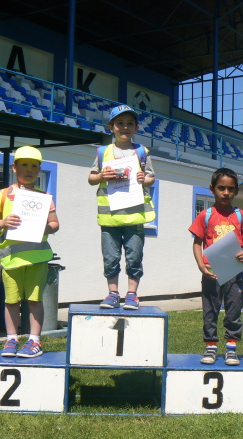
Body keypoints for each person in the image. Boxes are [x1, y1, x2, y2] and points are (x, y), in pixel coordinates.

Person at [0, 146, 60, 358]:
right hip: (11, 259)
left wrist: (45, 228)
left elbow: (55, 224)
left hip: (37, 259)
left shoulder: (44, 198)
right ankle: (11, 339)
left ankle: (34, 340)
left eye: (34, 166)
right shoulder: (2, 195)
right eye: (24, 165)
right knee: (11, 301)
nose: (29, 170)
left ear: (39, 170)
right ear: (14, 167)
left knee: (35, 300)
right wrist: (3, 222)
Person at [88, 105, 156, 310]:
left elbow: (151, 178)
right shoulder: (103, 152)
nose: (125, 127)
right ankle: (113, 293)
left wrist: (144, 178)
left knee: (134, 257)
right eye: (120, 123)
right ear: (111, 127)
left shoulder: (141, 152)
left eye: (129, 124)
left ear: (136, 128)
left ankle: (132, 295)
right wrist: (102, 176)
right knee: (110, 257)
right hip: (109, 217)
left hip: (135, 216)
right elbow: (91, 178)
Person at [188, 167, 243, 365]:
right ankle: (210, 347)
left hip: (234, 272)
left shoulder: (241, 215)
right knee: (210, 310)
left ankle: (231, 348)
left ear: (236, 191)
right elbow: (197, 243)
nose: (226, 193)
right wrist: (201, 265)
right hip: (211, 272)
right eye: (221, 188)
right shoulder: (205, 215)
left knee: (234, 310)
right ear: (212, 189)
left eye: (231, 189)